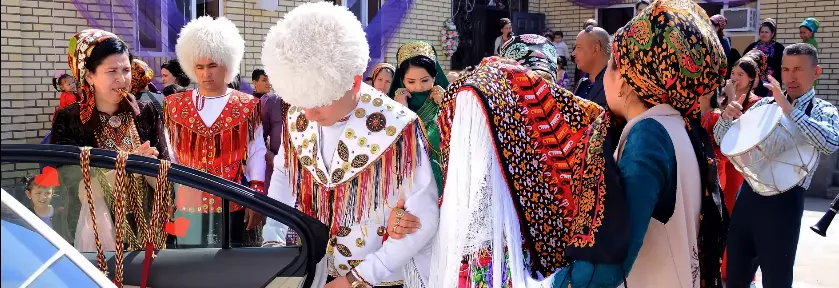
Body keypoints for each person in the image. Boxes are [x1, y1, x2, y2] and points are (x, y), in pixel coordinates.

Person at [260, 3, 439, 287]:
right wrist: (273, 237)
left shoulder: (398, 125)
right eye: (300, 101)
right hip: (314, 270)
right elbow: (285, 175)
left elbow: (422, 218)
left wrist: (360, 278)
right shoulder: (297, 113)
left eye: (318, 102)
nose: (307, 114)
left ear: (354, 82)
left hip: (381, 279)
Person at [551, 0, 728, 286]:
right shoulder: (681, 125)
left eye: (611, 66)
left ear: (625, 81)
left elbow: (609, 260)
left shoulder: (649, 135)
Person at [424, 34, 602, 287]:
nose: (536, 96)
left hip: (519, 260)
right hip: (494, 252)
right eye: (528, 83)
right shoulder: (484, 120)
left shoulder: (565, 125)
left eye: (544, 85)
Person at [715, 43, 839, 288]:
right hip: (748, 198)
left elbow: (830, 141)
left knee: (777, 280)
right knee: (735, 276)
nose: (790, 77)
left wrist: (790, 111)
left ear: (816, 72)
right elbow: (723, 140)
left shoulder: (823, 109)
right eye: (785, 69)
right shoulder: (765, 105)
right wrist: (727, 119)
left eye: (798, 70)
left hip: (786, 202)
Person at [50, 29, 170, 252]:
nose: (121, 79)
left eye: (126, 70)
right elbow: (78, 189)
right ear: (89, 76)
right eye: (111, 71)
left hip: (145, 231)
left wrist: (150, 169)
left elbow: (167, 183)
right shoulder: (69, 119)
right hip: (92, 234)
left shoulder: (146, 112)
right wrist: (130, 164)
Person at [164, 16, 267, 248]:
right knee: (190, 270)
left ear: (227, 66)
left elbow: (256, 152)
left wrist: (256, 195)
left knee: (231, 272)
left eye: (212, 66)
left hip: (234, 202)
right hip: (187, 203)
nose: (205, 74)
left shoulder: (247, 105)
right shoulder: (174, 105)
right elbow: (170, 155)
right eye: (199, 67)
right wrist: (169, 195)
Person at [387, 40, 448, 194]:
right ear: (402, 80)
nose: (418, 87)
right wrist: (401, 109)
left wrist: (446, 104)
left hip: (443, 181)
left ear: (435, 77)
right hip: (407, 182)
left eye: (425, 80)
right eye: (411, 81)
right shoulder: (392, 105)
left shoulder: (447, 101)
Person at [573, 25, 610, 107]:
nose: (573, 53)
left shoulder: (616, 83)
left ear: (595, 48)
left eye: (579, 47)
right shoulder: (582, 83)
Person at [744, 18, 785, 84]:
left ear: (772, 34)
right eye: (762, 32)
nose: (763, 34)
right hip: (753, 83)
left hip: (771, 83)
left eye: (766, 32)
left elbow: (782, 66)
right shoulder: (752, 47)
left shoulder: (779, 48)